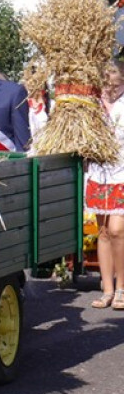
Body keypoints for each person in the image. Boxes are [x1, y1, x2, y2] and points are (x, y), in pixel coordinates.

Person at [85, 56, 124, 310]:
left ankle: (121, 288)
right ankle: (107, 288)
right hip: (99, 173)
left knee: (118, 230)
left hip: (122, 171)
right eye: (107, 85)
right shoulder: (94, 106)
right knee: (102, 232)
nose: (111, 90)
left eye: (116, 85)